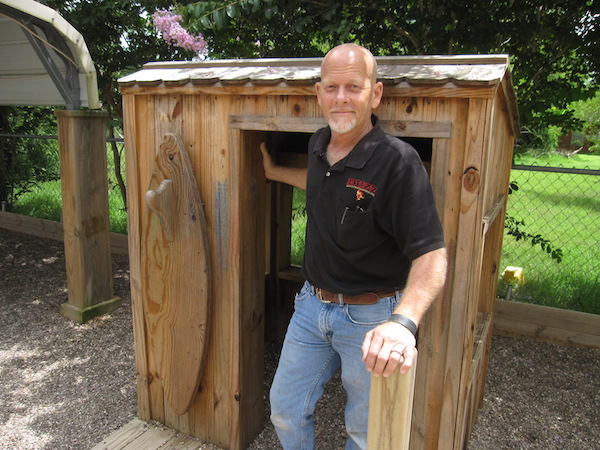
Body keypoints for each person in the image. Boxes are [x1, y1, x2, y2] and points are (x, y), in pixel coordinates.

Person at [260, 43, 447, 450]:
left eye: (353, 87)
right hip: (311, 307)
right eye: (331, 87)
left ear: (374, 94)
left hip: (372, 317)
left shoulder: (399, 162)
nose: (341, 98)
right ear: (319, 93)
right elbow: (325, 186)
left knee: (366, 431)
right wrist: (274, 171)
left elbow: (432, 255)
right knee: (285, 408)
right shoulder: (318, 144)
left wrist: (403, 323)